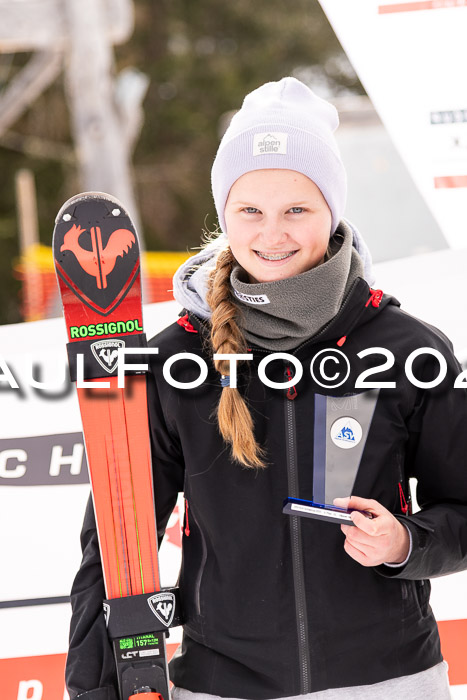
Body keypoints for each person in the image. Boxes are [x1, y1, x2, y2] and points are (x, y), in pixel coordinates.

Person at [66, 77, 467, 700]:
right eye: (250, 210)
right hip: (223, 684)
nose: (271, 234)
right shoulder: (175, 361)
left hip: (392, 679)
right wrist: (94, 685)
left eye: (296, 210)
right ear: (224, 213)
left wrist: (405, 542)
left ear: (332, 211)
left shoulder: (408, 350)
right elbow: (117, 538)